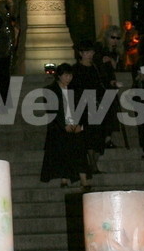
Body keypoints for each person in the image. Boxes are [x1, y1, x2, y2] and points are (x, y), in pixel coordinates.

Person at [39, 63, 91, 189]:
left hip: (75, 125)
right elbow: (52, 111)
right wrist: (64, 125)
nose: (69, 78)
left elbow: (83, 109)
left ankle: (83, 180)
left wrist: (80, 125)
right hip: (59, 128)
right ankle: (65, 178)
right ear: (59, 76)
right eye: (66, 75)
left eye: (70, 76)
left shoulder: (76, 90)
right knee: (65, 147)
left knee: (79, 149)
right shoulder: (50, 91)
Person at [71, 38, 107, 174]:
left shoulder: (95, 68)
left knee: (99, 136)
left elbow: (101, 84)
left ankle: (94, 163)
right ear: (81, 53)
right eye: (87, 52)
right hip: (82, 106)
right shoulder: (76, 70)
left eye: (91, 52)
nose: (90, 54)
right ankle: (92, 164)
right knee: (89, 137)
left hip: (96, 104)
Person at [94, 25, 124, 148]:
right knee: (103, 113)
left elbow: (117, 67)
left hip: (109, 85)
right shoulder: (100, 48)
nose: (115, 40)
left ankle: (107, 139)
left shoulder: (115, 52)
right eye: (113, 37)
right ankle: (103, 139)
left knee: (111, 113)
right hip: (100, 85)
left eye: (117, 38)